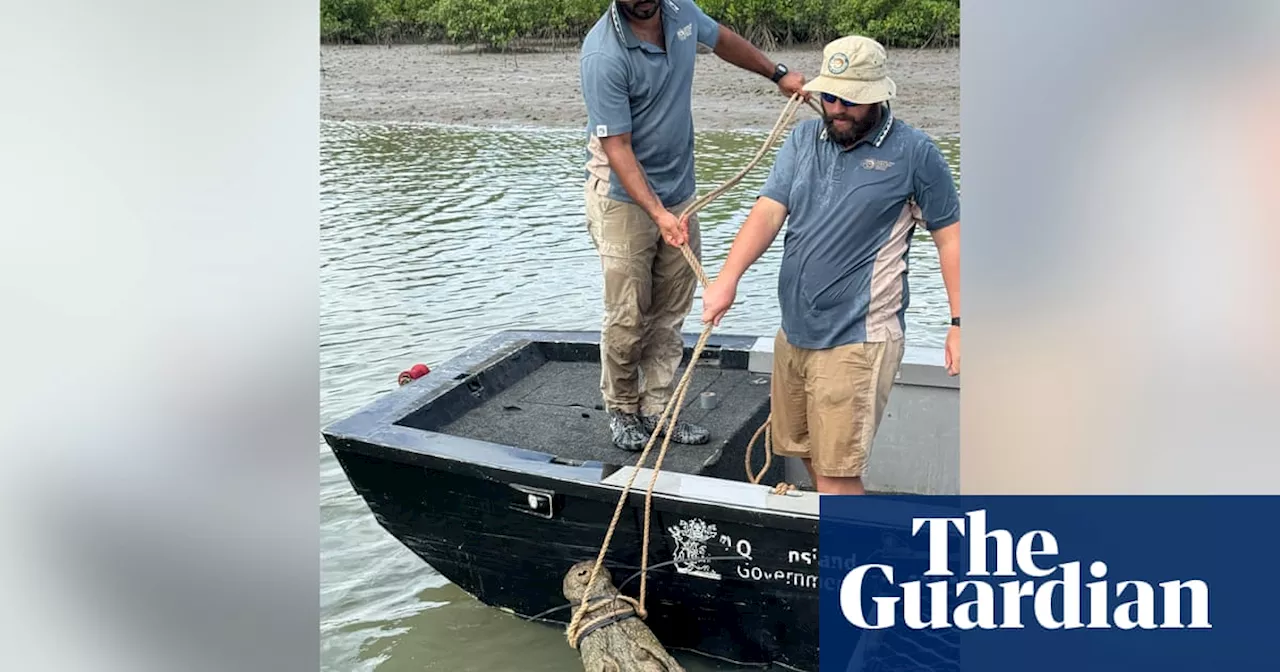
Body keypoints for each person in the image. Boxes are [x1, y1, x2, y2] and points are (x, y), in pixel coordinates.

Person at [701, 35, 961, 494]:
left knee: (838, 473)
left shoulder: (915, 153)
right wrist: (727, 279)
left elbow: (951, 239)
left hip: (858, 337)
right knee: (804, 451)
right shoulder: (803, 139)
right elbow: (767, 212)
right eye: (829, 95)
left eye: (850, 99)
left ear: (878, 95)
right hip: (796, 332)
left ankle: (850, 561)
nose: (837, 107)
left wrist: (960, 322)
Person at [579, 0, 807, 451]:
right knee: (628, 315)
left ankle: (658, 409)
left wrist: (777, 74)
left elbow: (720, 38)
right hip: (622, 200)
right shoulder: (603, 53)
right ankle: (623, 410)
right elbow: (618, 149)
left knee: (671, 310)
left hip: (680, 193)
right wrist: (658, 213)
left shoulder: (680, 11)